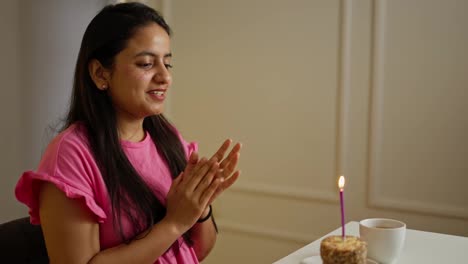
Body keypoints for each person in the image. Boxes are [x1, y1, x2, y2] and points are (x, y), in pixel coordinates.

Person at [15, 2, 241, 263]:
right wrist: (174, 224)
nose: (164, 77)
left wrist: (199, 207)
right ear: (101, 73)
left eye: (167, 64)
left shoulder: (167, 137)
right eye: (146, 64)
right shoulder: (72, 154)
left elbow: (195, 251)